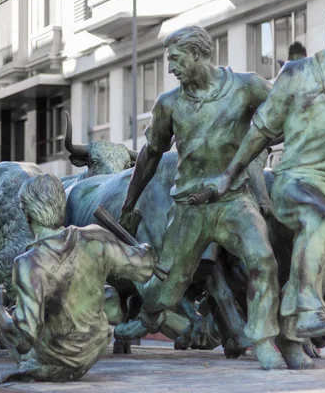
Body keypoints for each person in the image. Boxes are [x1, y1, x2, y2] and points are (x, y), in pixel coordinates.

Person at [194, 0, 325, 369]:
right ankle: (303, 306)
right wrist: (228, 176)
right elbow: (259, 131)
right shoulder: (298, 74)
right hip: (294, 184)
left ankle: (290, 340)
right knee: (322, 217)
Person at [118, 26, 285, 369]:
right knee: (166, 287)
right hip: (189, 208)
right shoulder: (169, 105)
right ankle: (149, 315)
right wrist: (129, 202)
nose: (170, 69)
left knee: (262, 260)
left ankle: (263, 338)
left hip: (234, 200)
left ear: (197, 54)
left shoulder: (247, 86)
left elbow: (283, 115)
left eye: (176, 59)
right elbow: (150, 155)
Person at [0, 174, 157, 383]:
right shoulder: (95, 237)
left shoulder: (28, 264)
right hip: (95, 347)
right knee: (102, 293)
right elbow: (145, 269)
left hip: (55, 359)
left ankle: (32, 366)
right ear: (61, 206)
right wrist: (142, 248)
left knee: (12, 320)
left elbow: (24, 340)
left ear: (27, 213)